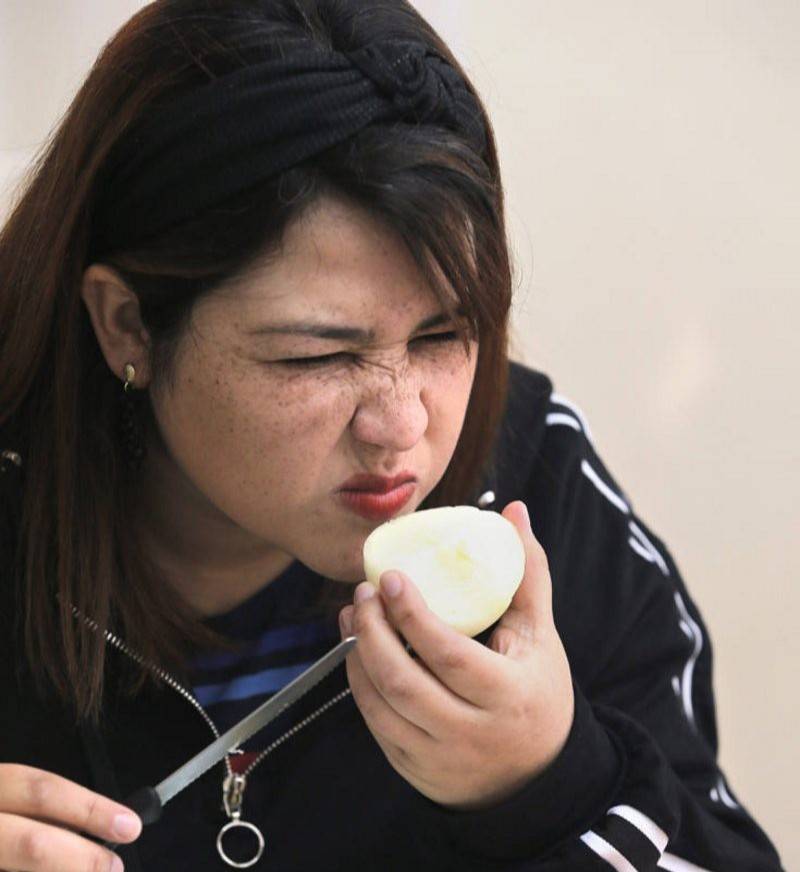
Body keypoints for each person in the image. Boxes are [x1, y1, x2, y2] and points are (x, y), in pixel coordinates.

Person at [0, 1, 785, 870]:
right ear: (127, 326)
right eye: (316, 356)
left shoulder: (533, 474)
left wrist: (547, 788)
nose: (403, 427)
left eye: (444, 336)